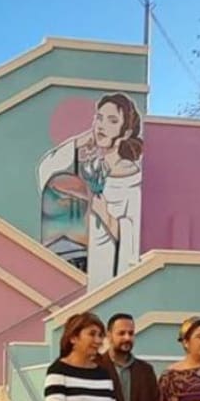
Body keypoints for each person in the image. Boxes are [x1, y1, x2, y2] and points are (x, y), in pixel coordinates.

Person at [37, 93, 144, 290]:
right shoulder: (91, 167)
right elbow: (46, 170)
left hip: (107, 273)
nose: (102, 126)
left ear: (126, 132)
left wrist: (106, 215)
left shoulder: (131, 178)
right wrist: (79, 142)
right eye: (99, 118)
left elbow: (132, 240)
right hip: (82, 268)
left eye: (112, 121)